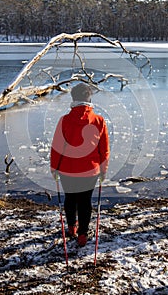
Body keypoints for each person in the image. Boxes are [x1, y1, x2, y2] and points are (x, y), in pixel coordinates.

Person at [50, 83, 110, 247]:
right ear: (89, 99)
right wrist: (103, 171)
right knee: (85, 202)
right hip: (90, 170)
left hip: (67, 169)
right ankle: (83, 234)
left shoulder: (64, 120)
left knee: (70, 198)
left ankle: (71, 227)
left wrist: (54, 168)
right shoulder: (99, 121)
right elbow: (103, 150)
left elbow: (56, 147)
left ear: (73, 98)